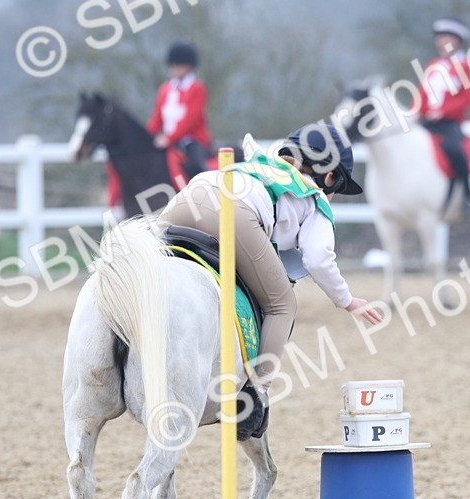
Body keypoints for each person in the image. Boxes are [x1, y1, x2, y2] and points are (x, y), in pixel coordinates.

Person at [156, 123, 385, 439]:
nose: (333, 196)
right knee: (282, 304)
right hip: (233, 213)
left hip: (191, 194)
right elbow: (318, 259)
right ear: (329, 177)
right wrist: (346, 300)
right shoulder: (317, 199)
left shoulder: (262, 162)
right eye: (337, 188)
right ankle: (254, 396)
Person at [416, 17, 470, 211]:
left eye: (446, 37)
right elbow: (422, 93)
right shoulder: (432, 65)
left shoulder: (466, 66)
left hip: (450, 123)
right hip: (426, 121)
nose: (441, 41)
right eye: (440, 37)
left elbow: (467, 99)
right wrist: (415, 111)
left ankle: (468, 196)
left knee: (454, 150)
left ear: (458, 41)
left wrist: (441, 112)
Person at [147, 41, 212, 187]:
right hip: (168, 141)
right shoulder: (165, 89)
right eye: (173, 65)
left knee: (196, 166)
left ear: (189, 67)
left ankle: (206, 192)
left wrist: (168, 138)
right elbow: (157, 118)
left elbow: (190, 120)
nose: (175, 68)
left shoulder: (197, 88)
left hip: (191, 140)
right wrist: (147, 136)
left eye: (179, 65)